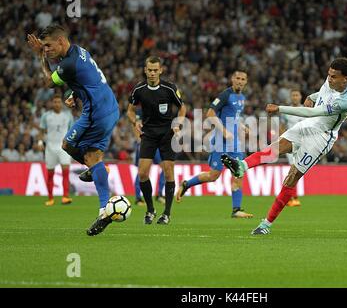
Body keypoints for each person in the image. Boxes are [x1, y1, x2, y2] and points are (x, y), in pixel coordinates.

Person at [221, 58, 347, 235]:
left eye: (334, 77)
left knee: (291, 177)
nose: (329, 79)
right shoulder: (331, 81)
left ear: (345, 78)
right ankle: (241, 166)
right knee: (274, 148)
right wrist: (311, 96)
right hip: (309, 125)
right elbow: (322, 95)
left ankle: (266, 224)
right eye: (328, 74)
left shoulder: (345, 101)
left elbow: (312, 112)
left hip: (321, 138)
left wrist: (280, 109)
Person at [27, 24, 120, 236]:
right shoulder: (79, 51)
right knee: (93, 157)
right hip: (109, 107)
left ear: (60, 41)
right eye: (44, 47)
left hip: (96, 113)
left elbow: (48, 82)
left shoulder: (68, 64)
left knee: (69, 145)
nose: (47, 49)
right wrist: (75, 94)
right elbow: (87, 80)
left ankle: (99, 176)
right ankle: (103, 203)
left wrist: (39, 56)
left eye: (48, 45)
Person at [175, 70, 253, 219]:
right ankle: (186, 184)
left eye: (243, 79)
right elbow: (210, 114)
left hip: (235, 144)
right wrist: (223, 131)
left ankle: (236, 209)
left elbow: (234, 116)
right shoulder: (225, 95)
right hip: (220, 143)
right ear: (232, 79)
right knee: (213, 176)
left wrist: (242, 126)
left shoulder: (241, 97)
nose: (240, 81)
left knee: (239, 173)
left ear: (246, 81)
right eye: (237, 78)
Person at [127, 56, 186, 225]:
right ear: (145, 70)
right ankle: (150, 210)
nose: (152, 73)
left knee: (168, 172)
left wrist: (178, 123)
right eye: (149, 70)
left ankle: (166, 213)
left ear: (160, 70)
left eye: (155, 70)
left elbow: (182, 107)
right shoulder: (139, 89)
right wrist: (135, 121)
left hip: (167, 134)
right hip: (149, 134)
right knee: (143, 173)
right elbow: (130, 110)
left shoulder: (169, 88)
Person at [39, 94, 74, 206]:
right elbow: (42, 131)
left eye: (59, 102)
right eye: (55, 102)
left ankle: (65, 197)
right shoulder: (46, 116)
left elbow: (72, 130)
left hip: (63, 148)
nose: (57, 104)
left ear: (61, 103)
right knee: (50, 174)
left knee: (65, 172)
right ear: (52, 103)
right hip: (50, 148)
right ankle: (50, 198)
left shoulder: (67, 115)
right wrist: (40, 142)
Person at [280, 89, 304, 207]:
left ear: (300, 97)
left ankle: (290, 197)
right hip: (290, 144)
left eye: (297, 95)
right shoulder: (287, 112)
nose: (295, 97)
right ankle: (292, 198)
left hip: (302, 144)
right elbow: (282, 127)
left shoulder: (305, 111)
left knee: (296, 170)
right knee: (294, 170)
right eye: (293, 95)